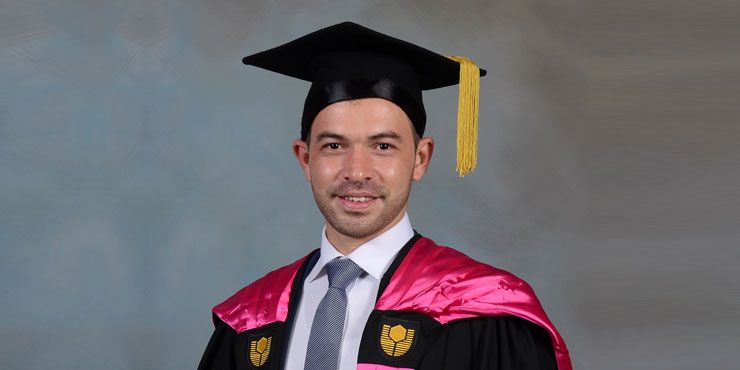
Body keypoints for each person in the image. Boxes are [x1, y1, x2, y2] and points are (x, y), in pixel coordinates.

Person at [198, 22, 571, 370]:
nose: (357, 171)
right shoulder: (248, 320)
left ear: (420, 158)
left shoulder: (483, 312)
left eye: (382, 145)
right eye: (333, 145)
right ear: (305, 158)